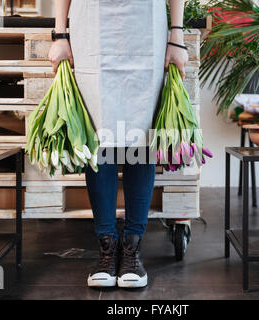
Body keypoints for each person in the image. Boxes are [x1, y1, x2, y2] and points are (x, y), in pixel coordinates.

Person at [49, 0, 188, 288]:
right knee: (100, 138)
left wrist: (177, 34)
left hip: (145, 26)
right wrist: (60, 35)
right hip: (92, 27)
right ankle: (107, 247)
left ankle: (132, 250)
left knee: (139, 136)